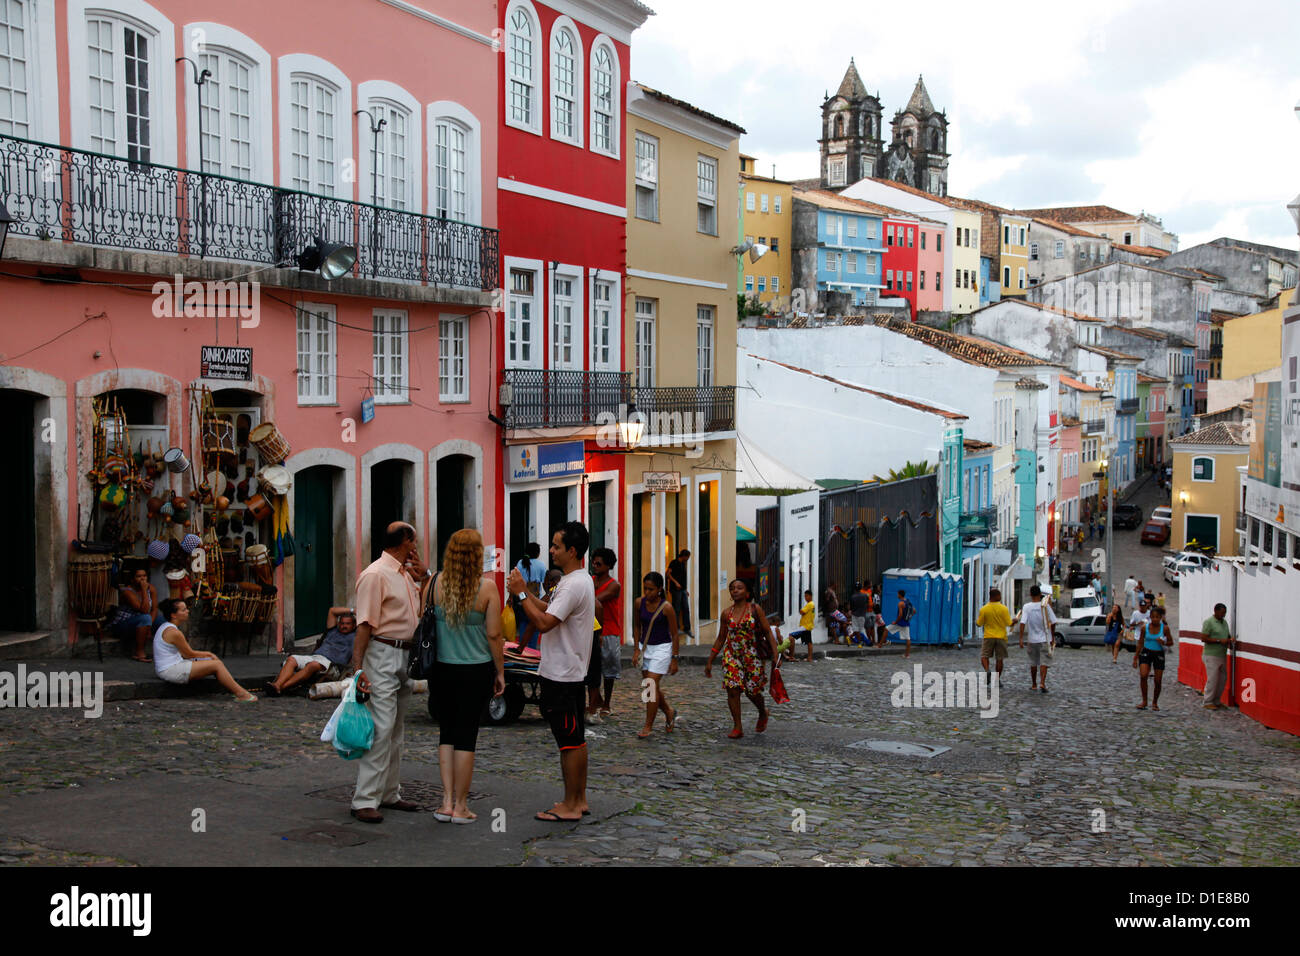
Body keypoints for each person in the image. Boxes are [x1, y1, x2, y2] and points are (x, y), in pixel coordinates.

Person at [508, 522, 596, 823]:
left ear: (572, 550)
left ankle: (571, 805)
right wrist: (527, 593)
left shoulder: (573, 584)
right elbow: (549, 608)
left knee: (569, 741)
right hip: (569, 671)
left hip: (562, 673)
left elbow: (545, 623)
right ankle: (578, 799)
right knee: (576, 739)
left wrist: (520, 596)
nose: (552, 550)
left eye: (557, 546)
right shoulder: (576, 581)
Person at [426, 529, 505, 824]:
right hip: (475, 669)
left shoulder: (434, 585)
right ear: (476, 556)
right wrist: (500, 671)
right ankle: (461, 806)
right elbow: (495, 634)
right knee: (466, 736)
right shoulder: (487, 589)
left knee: (446, 733)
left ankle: (445, 802)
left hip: (442, 668)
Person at [349, 521, 426, 824]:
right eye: (414, 540)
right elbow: (364, 624)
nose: (416, 546)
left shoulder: (405, 575)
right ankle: (364, 798)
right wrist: (358, 669)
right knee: (381, 728)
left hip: (405, 654)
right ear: (405, 541)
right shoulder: (376, 575)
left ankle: (389, 792)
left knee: (396, 729)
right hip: (382, 652)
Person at [705, 578, 779, 739]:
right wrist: (710, 659)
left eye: (739, 588)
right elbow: (721, 638)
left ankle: (762, 712)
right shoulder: (726, 613)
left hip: (752, 656)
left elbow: (767, 631)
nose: (735, 590)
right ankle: (737, 726)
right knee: (732, 690)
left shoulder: (755, 609)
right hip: (732, 655)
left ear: (747, 592)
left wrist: (775, 653)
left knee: (752, 691)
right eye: (732, 588)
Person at [153, 597, 256, 701]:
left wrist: (207, 657)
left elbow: (186, 654)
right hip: (169, 670)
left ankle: (237, 690)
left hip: (167, 667)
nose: (187, 611)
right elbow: (189, 654)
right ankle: (242, 694)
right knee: (217, 664)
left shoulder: (166, 627)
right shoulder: (174, 633)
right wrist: (209, 654)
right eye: (183, 610)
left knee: (212, 662)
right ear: (173, 615)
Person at [631, 571, 680, 738]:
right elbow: (637, 627)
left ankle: (648, 725)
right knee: (650, 686)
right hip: (645, 647)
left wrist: (674, 658)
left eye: (650, 589)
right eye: (645, 588)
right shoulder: (639, 603)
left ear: (659, 589)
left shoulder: (667, 608)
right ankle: (668, 711)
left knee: (650, 684)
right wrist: (636, 649)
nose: (647, 592)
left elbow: (674, 634)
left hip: (662, 648)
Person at [268, 606, 356, 694]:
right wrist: (353, 610)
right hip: (316, 657)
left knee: (312, 665)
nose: (344, 626)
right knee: (292, 659)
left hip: (332, 665)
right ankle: (277, 685)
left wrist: (359, 613)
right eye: (342, 623)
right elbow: (332, 611)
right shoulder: (332, 630)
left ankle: (281, 687)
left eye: (348, 624)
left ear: (353, 625)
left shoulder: (355, 636)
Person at [590, 548, 623, 718]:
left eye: (598, 563)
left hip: (609, 631)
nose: (594, 565)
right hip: (591, 629)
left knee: (609, 669)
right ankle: (595, 701)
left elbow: (595, 600)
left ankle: (607, 703)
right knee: (591, 668)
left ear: (608, 565)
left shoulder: (614, 585)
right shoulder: (590, 580)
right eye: (593, 562)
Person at [114, 567, 160, 662]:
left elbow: (154, 609)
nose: (142, 579)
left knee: (161, 620)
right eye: (138, 576)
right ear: (132, 579)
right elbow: (144, 610)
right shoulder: (127, 592)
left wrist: (149, 626)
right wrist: (144, 590)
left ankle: (165, 651)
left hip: (142, 622)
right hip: (123, 625)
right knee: (145, 618)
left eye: (144, 576)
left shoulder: (151, 589)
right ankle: (139, 652)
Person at [1018, 584, 1057, 693]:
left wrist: (1021, 638)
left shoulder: (1026, 607)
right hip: (1045, 638)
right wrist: (1052, 636)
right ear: (1040, 594)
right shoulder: (1045, 606)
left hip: (1032, 639)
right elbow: (1054, 622)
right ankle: (1042, 683)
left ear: (1030, 594)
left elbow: (1022, 623)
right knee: (1044, 662)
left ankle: (1034, 684)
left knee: (1033, 662)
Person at [1134, 605, 1173, 710]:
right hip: (1146, 652)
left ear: (1161, 618)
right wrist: (1135, 657)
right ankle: (1144, 701)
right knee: (1143, 675)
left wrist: (1164, 641)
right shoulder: (1144, 628)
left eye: (1157, 617)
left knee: (1158, 680)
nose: (1155, 619)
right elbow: (1140, 642)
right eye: (1153, 617)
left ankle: (1155, 702)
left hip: (1158, 654)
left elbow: (1171, 642)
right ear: (1150, 617)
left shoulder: (1165, 628)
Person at [1200, 602, 1233, 711]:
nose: (1223, 615)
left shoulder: (1224, 623)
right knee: (1213, 679)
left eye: (1225, 613)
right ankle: (1208, 701)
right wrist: (1219, 641)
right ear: (1216, 611)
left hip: (1221, 655)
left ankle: (1217, 700)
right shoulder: (1209, 622)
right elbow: (1204, 638)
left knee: (1222, 679)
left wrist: (1229, 640)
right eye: (1222, 613)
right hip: (1211, 654)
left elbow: (1227, 635)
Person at [976, 588, 1012, 686]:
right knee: (999, 659)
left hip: (988, 636)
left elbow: (979, 624)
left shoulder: (984, 609)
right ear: (996, 596)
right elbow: (1009, 623)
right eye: (999, 595)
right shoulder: (1004, 609)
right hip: (1001, 637)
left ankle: (987, 670)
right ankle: (997, 680)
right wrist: (1015, 620)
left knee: (984, 656)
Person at [666, 549, 691, 637]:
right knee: (676, 608)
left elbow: (682, 577)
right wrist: (675, 582)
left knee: (686, 608)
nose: (687, 559)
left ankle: (687, 628)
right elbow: (668, 574)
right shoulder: (674, 562)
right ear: (684, 556)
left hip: (683, 589)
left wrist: (685, 589)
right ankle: (676, 628)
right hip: (676, 589)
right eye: (687, 557)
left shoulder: (683, 564)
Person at [788, 589, 816, 662]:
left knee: (791, 636)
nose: (805, 598)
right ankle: (809, 658)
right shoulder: (812, 604)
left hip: (805, 626)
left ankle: (791, 656)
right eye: (805, 596)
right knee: (809, 642)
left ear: (810, 596)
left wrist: (801, 611)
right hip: (808, 626)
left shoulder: (810, 604)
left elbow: (802, 611)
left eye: (806, 596)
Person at [885, 589, 914, 658]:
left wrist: (895, 622)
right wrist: (908, 618)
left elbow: (900, 615)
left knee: (886, 629)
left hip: (900, 623)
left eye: (898, 594)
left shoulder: (900, 603)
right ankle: (907, 655)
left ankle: (879, 645)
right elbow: (914, 611)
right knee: (908, 639)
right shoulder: (908, 601)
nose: (897, 595)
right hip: (906, 622)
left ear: (900, 595)